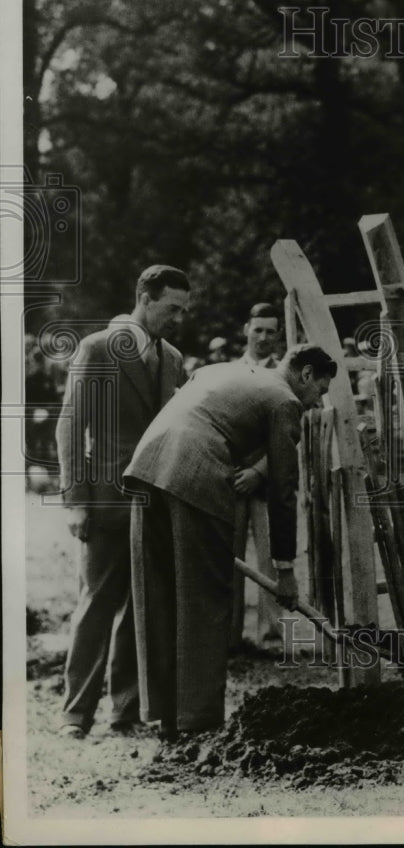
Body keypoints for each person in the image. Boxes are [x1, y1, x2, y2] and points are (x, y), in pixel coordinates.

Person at [125, 343, 336, 737]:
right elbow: (283, 490)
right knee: (205, 601)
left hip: (147, 468)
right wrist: (285, 569)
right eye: (320, 392)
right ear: (306, 374)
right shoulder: (285, 400)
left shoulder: (220, 369)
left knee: (162, 594)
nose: (317, 404)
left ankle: (169, 718)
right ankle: (200, 725)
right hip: (195, 477)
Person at [55, 265, 190, 738]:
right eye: (171, 307)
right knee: (97, 604)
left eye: (183, 310)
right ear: (143, 297)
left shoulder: (172, 358)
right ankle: (76, 714)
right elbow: (71, 426)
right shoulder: (97, 349)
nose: (178, 318)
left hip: (154, 501)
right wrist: (75, 501)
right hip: (106, 500)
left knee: (142, 607)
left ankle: (125, 711)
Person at [229, 303, 282, 649]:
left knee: (270, 558)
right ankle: (228, 635)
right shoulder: (226, 372)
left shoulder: (285, 375)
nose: (263, 338)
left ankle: (271, 635)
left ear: (279, 335)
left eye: (270, 331)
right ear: (246, 329)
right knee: (227, 556)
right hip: (229, 478)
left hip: (269, 479)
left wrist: (259, 471)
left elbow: (292, 434)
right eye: (257, 329)